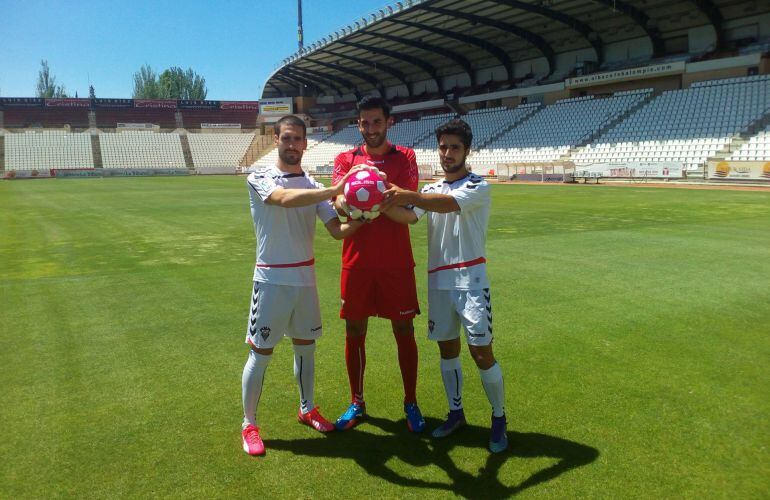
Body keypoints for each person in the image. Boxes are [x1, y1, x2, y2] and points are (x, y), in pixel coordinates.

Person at [380, 119, 508, 453]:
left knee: (481, 353)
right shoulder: (433, 189)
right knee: (447, 350)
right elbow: (411, 217)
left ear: (467, 151)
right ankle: (456, 413)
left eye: (454, 147)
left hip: (471, 284)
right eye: (443, 147)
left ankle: (498, 418)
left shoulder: (478, 186)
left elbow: (446, 205)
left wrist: (408, 195)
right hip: (439, 283)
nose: (447, 153)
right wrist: (380, 204)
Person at [241, 115, 364, 456]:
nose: (292, 145)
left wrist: (366, 216)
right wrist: (336, 189)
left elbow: (336, 229)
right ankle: (249, 424)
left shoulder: (311, 183)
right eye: (286, 138)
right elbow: (282, 199)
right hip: (270, 279)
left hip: (304, 279)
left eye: (298, 139)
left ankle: (307, 408)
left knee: (306, 349)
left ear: (306, 144)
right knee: (261, 353)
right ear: (276, 140)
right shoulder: (261, 177)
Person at [331, 95, 425, 433]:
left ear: (388, 123)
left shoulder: (406, 158)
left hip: (396, 264)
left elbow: (410, 215)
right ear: (358, 125)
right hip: (356, 263)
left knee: (404, 329)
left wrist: (377, 202)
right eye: (364, 123)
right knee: (354, 330)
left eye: (376, 122)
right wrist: (354, 201)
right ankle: (356, 401)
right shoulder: (346, 158)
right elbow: (338, 201)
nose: (370, 129)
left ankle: (411, 402)